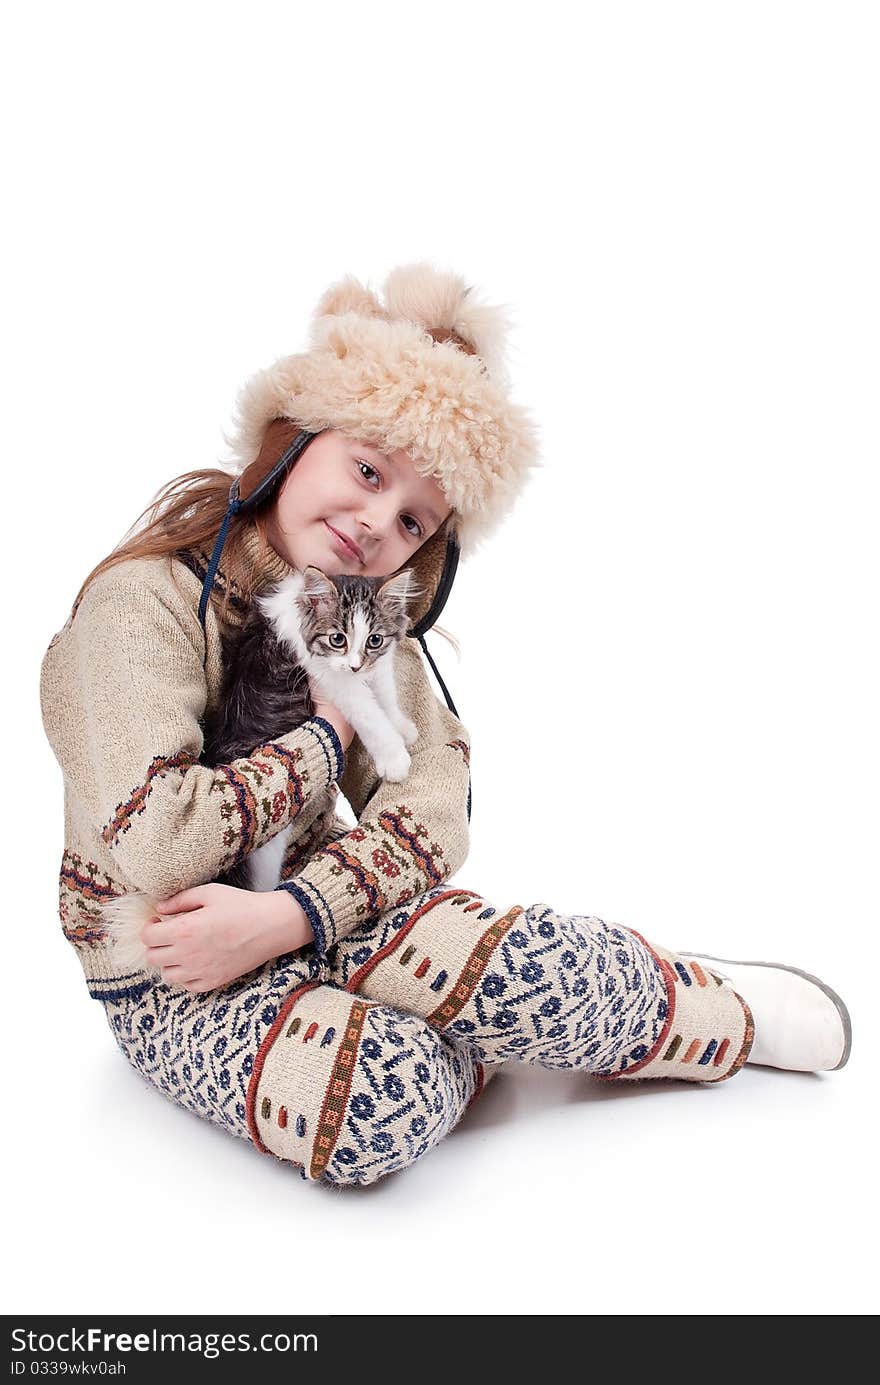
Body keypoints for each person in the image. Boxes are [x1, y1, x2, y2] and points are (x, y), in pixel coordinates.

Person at [40, 262, 851, 1188]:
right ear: (293, 439)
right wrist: (329, 739)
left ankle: (720, 1010)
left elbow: (438, 800)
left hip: (303, 909)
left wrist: (293, 914)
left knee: (525, 967)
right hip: (164, 962)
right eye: (368, 468)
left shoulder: (355, 612)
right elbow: (157, 839)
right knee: (377, 1100)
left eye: (415, 519)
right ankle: (474, 1040)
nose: (377, 522)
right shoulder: (140, 605)